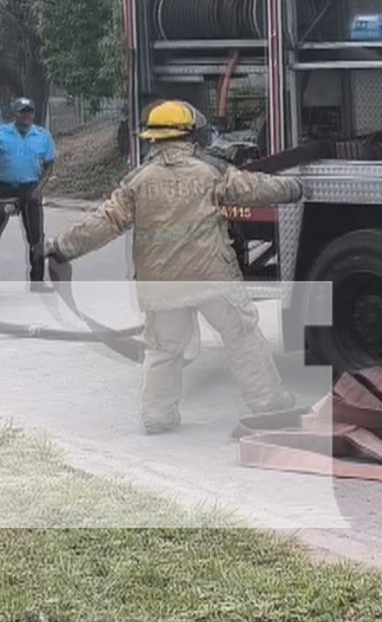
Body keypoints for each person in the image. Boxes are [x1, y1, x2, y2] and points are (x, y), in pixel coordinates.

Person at [42, 100, 306, 434]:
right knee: (241, 336)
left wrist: (60, 247)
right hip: (212, 277)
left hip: (162, 284)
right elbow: (255, 188)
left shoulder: (137, 182)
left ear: (153, 138)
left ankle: (157, 415)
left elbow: (103, 224)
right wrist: (296, 188)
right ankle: (268, 402)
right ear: (191, 134)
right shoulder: (210, 173)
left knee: (163, 348)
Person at [0, 97, 58, 291]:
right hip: (4, 188)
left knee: (37, 238)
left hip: (30, 189)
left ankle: (38, 282)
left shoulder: (43, 136)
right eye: (22, 112)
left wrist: (39, 188)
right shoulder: (2, 134)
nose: (26, 116)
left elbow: (49, 165)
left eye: (29, 112)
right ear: (15, 114)